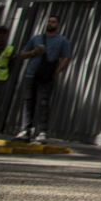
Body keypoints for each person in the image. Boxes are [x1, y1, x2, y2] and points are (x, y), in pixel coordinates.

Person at [16, 15, 72, 143]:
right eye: (49, 21)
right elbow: (22, 54)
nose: (50, 23)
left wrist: (56, 72)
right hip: (31, 74)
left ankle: (42, 131)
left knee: (43, 102)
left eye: (53, 22)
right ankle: (26, 130)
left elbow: (67, 57)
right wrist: (33, 53)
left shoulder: (62, 41)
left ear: (58, 25)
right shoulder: (36, 39)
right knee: (28, 102)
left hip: (46, 76)